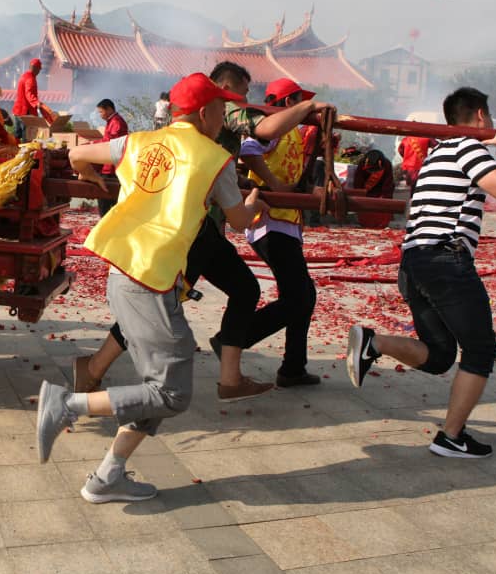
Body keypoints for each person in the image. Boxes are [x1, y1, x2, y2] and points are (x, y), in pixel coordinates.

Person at [38, 72, 265, 503]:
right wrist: (254, 204)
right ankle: (65, 406)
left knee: (154, 388)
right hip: (151, 279)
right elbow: (237, 222)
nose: (225, 115)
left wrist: (94, 179)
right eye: (221, 108)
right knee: (171, 392)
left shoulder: (137, 142)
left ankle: (107, 477)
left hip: (123, 272)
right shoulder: (214, 158)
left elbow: (77, 155)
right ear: (204, 113)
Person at [74, 61, 332, 401]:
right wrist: (309, 107)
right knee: (159, 306)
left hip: (196, 230)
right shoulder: (219, 136)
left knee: (241, 289)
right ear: (210, 107)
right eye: (233, 99)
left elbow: (78, 153)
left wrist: (87, 174)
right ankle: (94, 374)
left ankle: (229, 377)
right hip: (185, 234)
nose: (235, 108)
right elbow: (265, 132)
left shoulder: (151, 135)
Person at [347, 87, 496, 458]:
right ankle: (451, 437)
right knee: (480, 350)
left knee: (441, 354)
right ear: (479, 116)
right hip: (445, 262)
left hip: (414, 263)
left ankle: (373, 343)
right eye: (490, 119)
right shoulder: (467, 148)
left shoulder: (438, 153)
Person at [238, 78, 325, 387]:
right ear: (291, 103)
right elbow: (247, 148)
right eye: (301, 102)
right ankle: (233, 339)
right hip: (270, 222)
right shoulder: (274, 129)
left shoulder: (290, 134)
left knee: (303, 295)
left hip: (284, 223)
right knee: (298, 297)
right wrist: (273, 185)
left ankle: (293, 368)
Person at [95, 98, 128, 218]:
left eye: (101, 112)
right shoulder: (112, 121)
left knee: (106, 198)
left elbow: (112, 144)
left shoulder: (117, 122)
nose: (100, 115)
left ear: (109, 109)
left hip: (111, 167)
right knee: (107, 199)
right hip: (108, 165)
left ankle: (106, 223)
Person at [13, 58, 56, 125]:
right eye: (39, 69)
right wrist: (37, 103)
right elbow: (29, 94)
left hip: (17, 111)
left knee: (17, 135)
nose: (39, 71)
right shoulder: (31, 79)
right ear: (35, 68)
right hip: (26, 113)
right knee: (27, 134)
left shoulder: (24, 76)